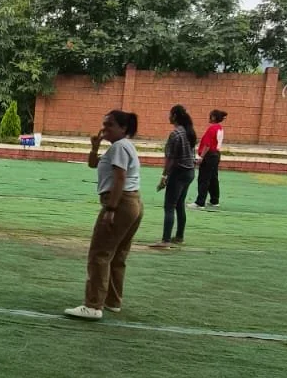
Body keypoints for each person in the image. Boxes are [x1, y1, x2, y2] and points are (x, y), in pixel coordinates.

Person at [65, 111, 143, 321]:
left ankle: (92, 305)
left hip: (120, 202)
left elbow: (120, 178)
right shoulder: (123, 147)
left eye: (110, 125)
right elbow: (93, 164)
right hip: (133, 203)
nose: (104, 128)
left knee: (99, 253)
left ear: (123, 128)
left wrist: (110, 209)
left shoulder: (119, 147)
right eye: (104, 124)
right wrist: (95, 146)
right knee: (117, 255)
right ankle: (112, 301)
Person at [151, 104, 197, 248]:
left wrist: (164, 176)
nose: (168, 117)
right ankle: (179, 237)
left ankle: (165, 241)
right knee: (179, 205)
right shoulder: (189, 132)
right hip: (189, 172)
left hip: (178, 173)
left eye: (170, 114)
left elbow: (171, 159)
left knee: (169, 206)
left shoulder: (175, 134)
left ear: (175, 116)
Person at [194, 109, 227, 210]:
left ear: (213, 117)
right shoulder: (220, 128)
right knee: (213, 178)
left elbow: (207, 145)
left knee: (204, 179)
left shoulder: (212, 129)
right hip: (216, 155)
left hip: (209, 155)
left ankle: (200, 203)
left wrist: (201, 157)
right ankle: (214, 200)